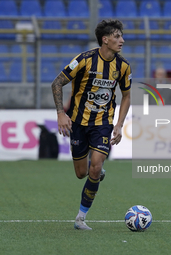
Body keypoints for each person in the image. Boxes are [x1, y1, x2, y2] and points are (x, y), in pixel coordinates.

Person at [51, 19, 131, 230]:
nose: (122, 40)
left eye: (121, 36)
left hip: (103, 123)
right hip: (78, 122)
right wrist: (61, 113)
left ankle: (80, 218)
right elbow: (57, 82)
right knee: (81, 173)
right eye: (117, 37)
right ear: (105, 40)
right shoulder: (84, 60)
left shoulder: (122, 66)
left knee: (95, 167)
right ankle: (95, 171)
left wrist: (119, 124)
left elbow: (127, 96)